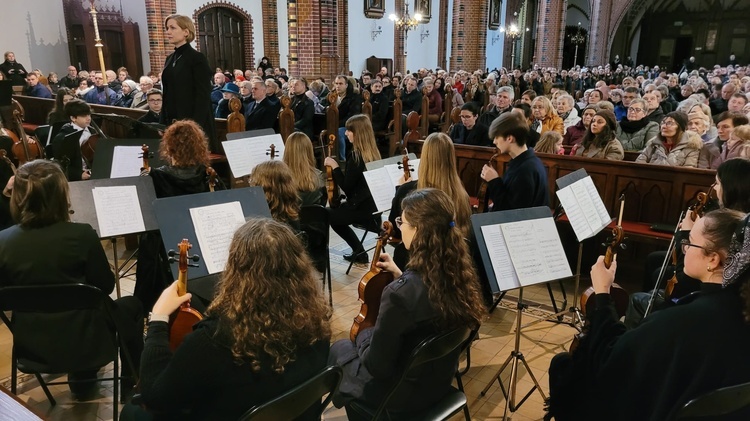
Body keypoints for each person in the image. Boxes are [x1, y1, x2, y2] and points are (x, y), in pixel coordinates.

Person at [546, 208, 750, 421]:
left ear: (713, 260)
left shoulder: (683, 320)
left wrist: (603, 293)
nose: (685, 249)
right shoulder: (740, 305)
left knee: (563, 367)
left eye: (689, 242)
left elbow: (611, 358)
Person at [122, 218, 331, 420]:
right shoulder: (317, 321)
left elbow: (155, 397)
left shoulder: (214, 339)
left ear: (235, 269)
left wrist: (158, 319)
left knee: (132, 413)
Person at [329, 188, 485, 419]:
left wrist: (364, 334)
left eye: (403, 221)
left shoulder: (398, 296)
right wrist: (401, 275)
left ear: (419, 230)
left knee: (339, 348)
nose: (399, 225)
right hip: (438, 384)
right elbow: (426, 297)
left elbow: (377, 366)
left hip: (399, 398)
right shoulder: (460, 275)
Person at [0, 160, 143, 401]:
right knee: (133, 305)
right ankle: (131, 384)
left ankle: (82, 380)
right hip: (88, 342)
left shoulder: (3, 242)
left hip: (33, 345)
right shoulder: (81, 234)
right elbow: (105, 286)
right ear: (61, 195)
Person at [626, 157, 750, 329]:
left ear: (731, 188)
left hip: (708, 288)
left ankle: (650, 321)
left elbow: (684, 279)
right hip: (714, 278)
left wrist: (685, 234)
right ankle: (655, 300)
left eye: (718, 183)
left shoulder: (734, 224)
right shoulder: (732, 215)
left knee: (651, 282)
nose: (714, 189)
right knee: (655, 260)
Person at [136, 120, 220, 310]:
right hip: (201, 245)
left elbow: (146, 216)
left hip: (164, 251)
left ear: (170, 148)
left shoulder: (155, 177)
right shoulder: (208, 175)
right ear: (199, 147)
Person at [388, 133, 472, 268]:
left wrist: (400, 189)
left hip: (420, 262)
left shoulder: (409, 190)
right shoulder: (462, 194)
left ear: (425, 157)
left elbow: (396, 229)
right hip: (452, 261)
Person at [324, 115, 381, 264]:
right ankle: (359, 252)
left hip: (362, 210)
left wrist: (335, 167)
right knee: (336, 213)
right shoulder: (374, 153)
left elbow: (347, 187)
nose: (346, 133)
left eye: (349, 130)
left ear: (358, 133)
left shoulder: (356, 156)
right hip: (374, 208)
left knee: (328, 215)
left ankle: (359, 252)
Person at [160, 14, 217, 151]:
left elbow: (203, 95)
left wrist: (193, 127)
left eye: (173, 28)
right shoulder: (170, 58)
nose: (168, 32)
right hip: (173, 122)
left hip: (194, 122)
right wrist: (162, 123)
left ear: (186, 32)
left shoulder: (197, 58)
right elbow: (166, 93)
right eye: (167, 28)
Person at [481, 112, 549, 212]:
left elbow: (512, 212)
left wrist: (494, 181)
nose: (494, 142)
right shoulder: (525, 161)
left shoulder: (526, 170)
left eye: (496, 137)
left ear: (509, 138)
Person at [49, 99, 96, 181]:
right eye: (84, 116)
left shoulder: (93, 132)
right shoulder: (63, 137)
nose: (88, 118)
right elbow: (60, 165)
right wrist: (79, 174)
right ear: (73, 118)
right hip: (76, 179)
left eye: (89, 115)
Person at [248, 160, 301, 231]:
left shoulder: (263, 224)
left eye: (253, 182)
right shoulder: (291, 213)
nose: (250, 184)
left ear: (265, 188)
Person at [635, 111, 702, 167]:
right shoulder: (654, 143)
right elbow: (639, 161)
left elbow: (688, 170)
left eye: (669, 123)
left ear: (681, 128)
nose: (663, 126)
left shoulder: (691, 146)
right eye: (663, 123)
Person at [283, 132, 326, 207]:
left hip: (290, 218)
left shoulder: (280, 179)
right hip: (315, 218)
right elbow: (323, 204)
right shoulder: (319, 176)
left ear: (287, 151)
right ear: (309, 150)